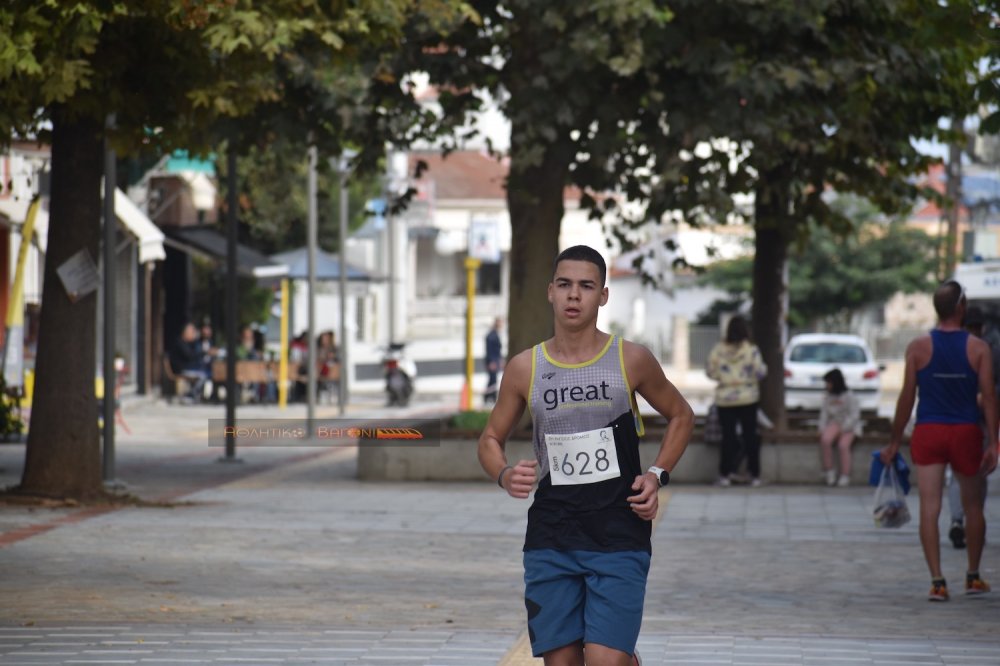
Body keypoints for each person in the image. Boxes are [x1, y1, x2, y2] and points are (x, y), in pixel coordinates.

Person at [477, 245, 694, 666]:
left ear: (603, 296)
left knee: (603, 660)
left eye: (586, 286)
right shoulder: (526, 367)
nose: (574, 295)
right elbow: (489, 439)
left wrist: (656, 474)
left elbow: (682, 415)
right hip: (552, 532)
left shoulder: (630, 359)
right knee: (561, 663)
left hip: (619, 529)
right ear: (550, 293)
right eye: (565, 285)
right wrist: (504, 475)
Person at [881, 280, 998, 601]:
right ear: (961, 308)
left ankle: (937, 581)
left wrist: (894, 441)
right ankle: (973, 576)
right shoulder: (978, 348)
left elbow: (906, 398)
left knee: (929, 507)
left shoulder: (918, 347)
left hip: (929, 431)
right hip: (965, 432)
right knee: (973, 507)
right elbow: (989, 397)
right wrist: (994, 442)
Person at [946, 305, 995, 549]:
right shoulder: (986, 350)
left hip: (963, 421)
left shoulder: (955, 349)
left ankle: (963, 520)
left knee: (964, 477)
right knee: (972, 477)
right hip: (969, 422)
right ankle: (965, 521)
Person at [706, 315, 768, 487]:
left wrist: (725, 378)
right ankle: (754, 475)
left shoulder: (718, 350)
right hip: (748, 397)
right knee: (751, 436)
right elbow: (760, 372)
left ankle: (725, 474)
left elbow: (710, 371)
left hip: (725, 399)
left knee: (728, 437)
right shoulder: (751, 350)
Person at [818, 368, 861, 487]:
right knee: (825, 440)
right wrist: (822, 428)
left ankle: (845, 475)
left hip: (850, 426)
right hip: (834, 424)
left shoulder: (850, 396)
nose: (827, 385)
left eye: (828, 382)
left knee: (843, 446)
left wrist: (844, 428)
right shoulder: (827, 397)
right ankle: (829, 471)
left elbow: (854, 415)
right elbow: (824, 415)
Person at [169, 322, 209, 403]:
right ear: (185, 332)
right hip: (181, 369)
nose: (193, 334)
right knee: (202, 375)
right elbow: (190, 356)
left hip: (187, 368)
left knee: (204, 373)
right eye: (191, 332)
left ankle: (193, 395)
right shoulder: (180, 343)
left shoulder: (188, 343)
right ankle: (191, 395)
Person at [484, 317, 503, 405]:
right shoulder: (492, 336)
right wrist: (492, 361)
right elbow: (490, 350)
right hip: (493, 361)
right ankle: (489, 398)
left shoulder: (494, 334)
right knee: (492, 380)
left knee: (493, 380)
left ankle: (490, 398)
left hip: (495, 360)